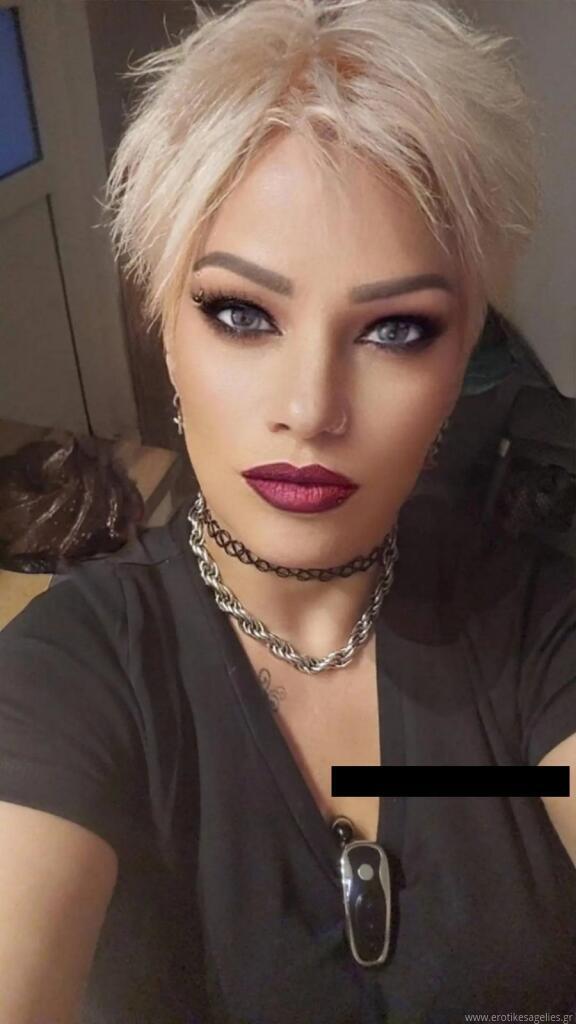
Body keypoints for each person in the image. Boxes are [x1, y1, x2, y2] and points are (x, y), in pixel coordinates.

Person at [0, 0, 575, 1021]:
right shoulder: (70, 674)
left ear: (461, 362)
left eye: (396, 329)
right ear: (165, 329)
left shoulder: (535, 623)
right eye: (241, 313)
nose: (312, 410)